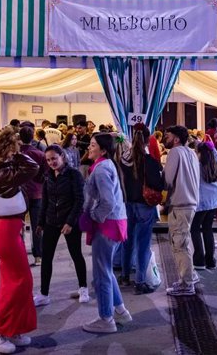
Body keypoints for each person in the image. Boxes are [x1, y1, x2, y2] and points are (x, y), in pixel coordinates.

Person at [0, 129, 40, 353]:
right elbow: (33, 167)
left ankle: (12, 328)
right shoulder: (5, 173)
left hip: (9, 230)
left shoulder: (3, 172)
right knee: (19, 284)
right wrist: (14, 152)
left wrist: (10, 152)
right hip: (6, 232)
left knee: (16, 283)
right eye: (15, 145)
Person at [81, 133, 132, 333]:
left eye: (93, 145)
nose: (89, 148)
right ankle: (120, 311)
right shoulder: (107, 165)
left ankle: (106, 319)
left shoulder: (101, 169)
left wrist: (94, 215)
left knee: (101, 273)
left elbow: (107, 201)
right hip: (115, 223)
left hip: (107, 225)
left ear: (102, 150)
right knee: (107, 270)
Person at [33, 145, 89, 307]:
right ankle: (44, 294)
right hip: (51, 220)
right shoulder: (48, 175)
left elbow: (79, 200)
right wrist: (40, 222)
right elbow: (45, 200)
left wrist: (70, 222)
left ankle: (83, 288)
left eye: (54, 158)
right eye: (48, 160)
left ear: (62, 157)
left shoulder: (74, 175)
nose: (51, 162)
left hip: (70, 221)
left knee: (76, 254)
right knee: (46, 258)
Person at [119, 125, 165, 295]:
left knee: (127, 241)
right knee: (143, 244)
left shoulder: (123, 159)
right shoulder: (150, 161)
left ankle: (124, 276)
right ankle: (140, 281)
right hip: (144, 205)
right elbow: (158, 184)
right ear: (147, 140)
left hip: (126, 205)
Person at [163, 125, 201, 296]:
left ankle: (186, 283)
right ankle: (191, 274)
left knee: (179, 244)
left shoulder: (175, 152)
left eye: (168, 136)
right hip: (191, 203)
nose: (165, 138)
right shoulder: (191, 152)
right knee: (184, 241)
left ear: (176, 139)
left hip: (180, 203)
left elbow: (168, 180)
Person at [192, 142, 217, 270]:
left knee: (194, 228)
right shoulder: (216, 164)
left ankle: (199, 260)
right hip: (215, 200)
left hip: (202, 201)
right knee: (207, 228)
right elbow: (214, 152)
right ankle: (210, 260)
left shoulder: (197, 166)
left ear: (199, 153)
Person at [18, 126, 48, 266]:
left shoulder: (16, 154)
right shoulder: (39, 154)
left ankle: (19, 253)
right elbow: (46, 172)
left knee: (18, 225)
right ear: (33, 137)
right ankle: (39, 256)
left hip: (19, 193)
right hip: (36, 192)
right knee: (37, 225)